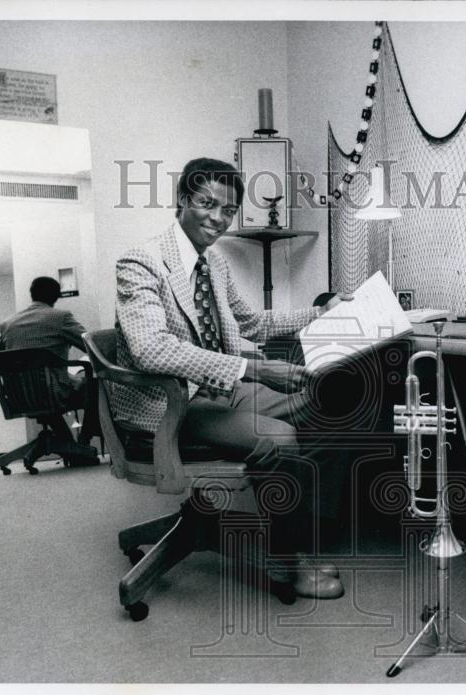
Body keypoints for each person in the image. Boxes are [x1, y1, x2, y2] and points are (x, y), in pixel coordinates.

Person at [112, 157, 352, 599]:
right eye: (207, 203)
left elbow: (251, 323)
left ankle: (297, 533)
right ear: (182, 200)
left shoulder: (214, 265)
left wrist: (321, 312)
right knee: (276, 439)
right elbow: (150, 348)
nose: (218, 218)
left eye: (227, 211)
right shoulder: (141, 262)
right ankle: (288, 561)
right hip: (170, 407)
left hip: (217, 392)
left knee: (329, 402)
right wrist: (254, 368)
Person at [0, 275, 101, 453]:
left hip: (18, 396)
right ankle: (83, 442)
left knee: (47, 391)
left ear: (31, 294)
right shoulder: (60, 317)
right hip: (52, 392)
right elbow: (92, 346)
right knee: (95, 385)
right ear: (56, 296)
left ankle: (69, 443)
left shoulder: (6, 324)